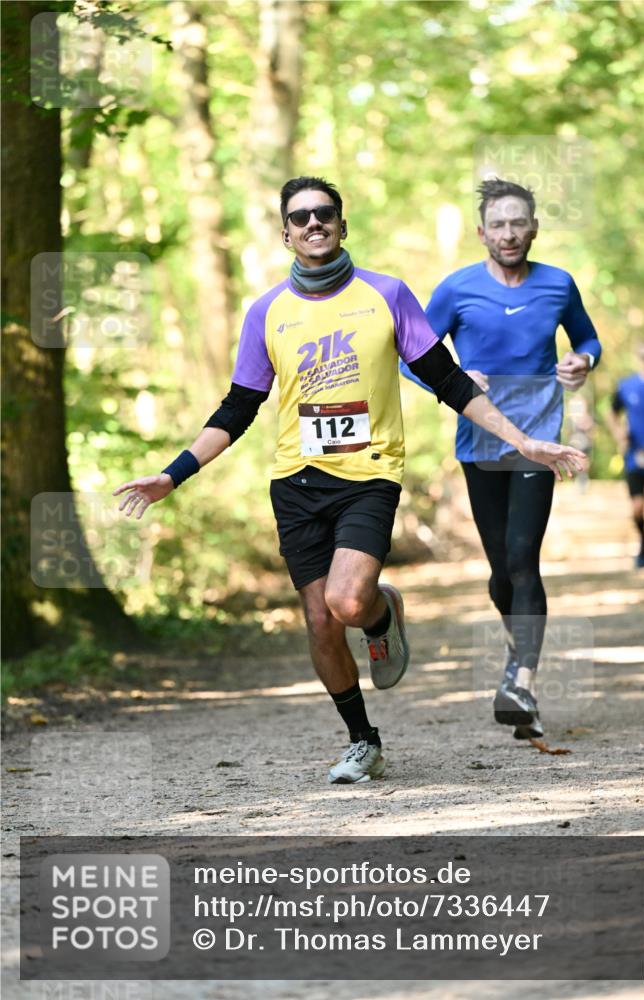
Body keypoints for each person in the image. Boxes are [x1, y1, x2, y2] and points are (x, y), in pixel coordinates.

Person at [115, 176, 586, 784]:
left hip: (369, 475)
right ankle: (363, 740)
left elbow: (447, 379)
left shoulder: (386, 295)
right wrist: (172, 475)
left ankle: (381, 614)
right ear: (285, 234)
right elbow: (238, 407)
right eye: (300, 217)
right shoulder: (266, 313)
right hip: (296, 481)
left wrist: (522, 440)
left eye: (324, 213)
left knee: (347, 602)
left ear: (342, 225)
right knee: (320, 622)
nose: (313, 223)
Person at [401, 177, 601, 742]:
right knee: (499, 572)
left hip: (540, 438)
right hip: (480, 442)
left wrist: (582, 361)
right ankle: (517, 659)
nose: (509, 233)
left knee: (522, 558)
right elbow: (412, 358)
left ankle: (524, 682)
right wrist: (453, 380)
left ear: (533, 228)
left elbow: (588, 340)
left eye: (518, 223)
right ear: (481, 232)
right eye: (498, 224)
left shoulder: (558, 284)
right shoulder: (456, 288)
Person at [607, 337, 644, 584]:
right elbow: (611, 412)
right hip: (636, 457)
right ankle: (643, 539)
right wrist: (619, 432)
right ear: (639, 358)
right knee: (637, 506)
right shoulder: (627, 386)